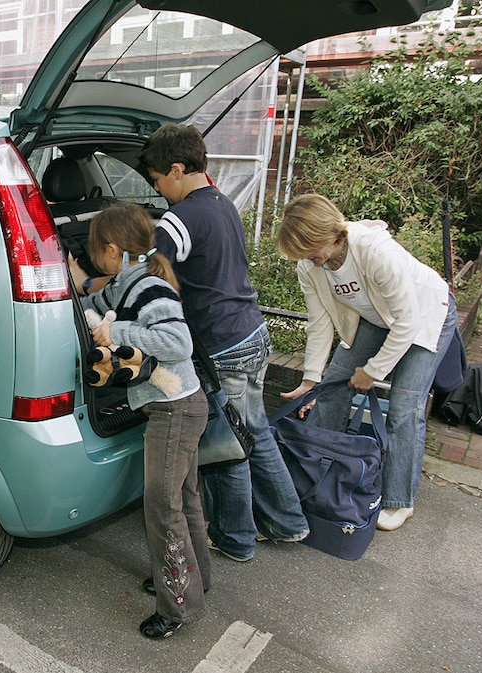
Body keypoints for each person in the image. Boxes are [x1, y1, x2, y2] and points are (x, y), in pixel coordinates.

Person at [136, 124, 308, 562]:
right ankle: (288, 522)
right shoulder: (221, 202)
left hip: (221, 347)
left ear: (176, 169)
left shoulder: (180, 218)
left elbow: (149, 274)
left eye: (157, 180)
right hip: (251, 332)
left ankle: (235, 539)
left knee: (226, 447)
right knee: (255, 432)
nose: (158, 189)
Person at [276, 194, 457, 531]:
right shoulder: (309, 265)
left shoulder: (375, 251)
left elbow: (407, 321)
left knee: (405, 406)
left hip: (427, 314)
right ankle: (315, 470)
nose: (310, 260)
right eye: (302, 254)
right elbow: (319, 323)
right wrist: (311, 378)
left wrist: (373, 372)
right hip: (375, 319)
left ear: (331, 233)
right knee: (331, 390)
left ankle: (399, 501)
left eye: (312, 249)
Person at [79, 202, 210, 640]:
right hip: (179, 407)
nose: (93, 254)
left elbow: (177, 341)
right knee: (185, 500)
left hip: (175, 410)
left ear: (113, 249)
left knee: (162, 506)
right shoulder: (125, 282)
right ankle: (194, 580)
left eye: (96, 247)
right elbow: (91, 300)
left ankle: (177, 607)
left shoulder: (150, 288)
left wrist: (118, 333)